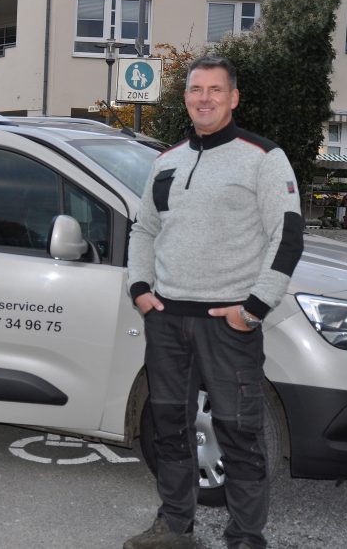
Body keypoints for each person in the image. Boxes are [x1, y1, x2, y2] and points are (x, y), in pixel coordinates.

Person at [125, 55, 304, 549]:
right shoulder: (167, 162)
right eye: (195, 90)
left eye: (215, 90)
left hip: (229, 323)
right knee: (169, 429)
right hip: (167, 321)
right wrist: (140, 289)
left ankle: (246, 536)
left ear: (233, 97)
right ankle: (176, 526)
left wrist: (253, 309)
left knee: (240, 432)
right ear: (185, 97)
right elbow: (145, 230)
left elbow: (286, 237)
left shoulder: (262, 158)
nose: (204, 98)